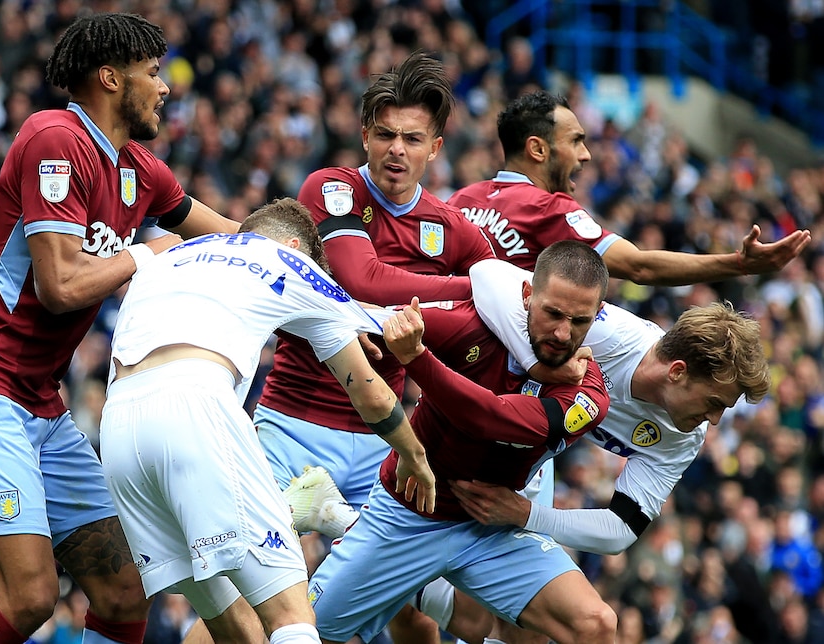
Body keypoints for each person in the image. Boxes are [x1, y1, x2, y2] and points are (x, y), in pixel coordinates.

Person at [0, 13, 239, 644]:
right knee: (31, 598)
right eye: (153, 73)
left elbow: (230, 237)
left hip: (40, 402)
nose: (166, 86)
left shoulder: (140, 169)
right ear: (110, 77)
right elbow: (59, 287)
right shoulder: (54, 138)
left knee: (126, 593)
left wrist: (310, 256)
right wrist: (146, 253)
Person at [176, 50, 495, 644]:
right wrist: (471, 288)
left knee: (414, 617)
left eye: (412, 138)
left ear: (436, 149)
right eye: (385, 134)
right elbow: (356, 278)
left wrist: (487, 293)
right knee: (252, 599)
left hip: (385, 440)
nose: (397, 149)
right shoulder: (333, 190)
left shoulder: (450, 229)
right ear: (365, 135)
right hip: (297, 425)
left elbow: (500, 309)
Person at [98, 197, 436, 644]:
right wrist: (413, 454)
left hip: (119, 431)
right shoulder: (290, 262)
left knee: (235, 630)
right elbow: (369, 391)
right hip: (194, 406)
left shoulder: (170, 254)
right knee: (292, 616)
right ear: (297, 246)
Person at [408, 257, 773, 644]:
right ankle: (389, 572)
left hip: (526, 470)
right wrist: (538, 365)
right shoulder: (610, 336)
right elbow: (487, 274)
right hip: (452, 432)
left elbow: (621, 527)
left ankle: (402, 581)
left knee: (532, 631)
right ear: (678, 372)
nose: (714, 420)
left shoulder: (684, 435)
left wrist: (526, 514)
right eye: (715, 402)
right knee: (463, 618)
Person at [309, 241, 617, 644]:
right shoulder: (472, 327)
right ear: (527, 295)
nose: (562, 333)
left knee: (596, 624)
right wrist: (363, 331)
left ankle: (340, 521)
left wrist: (417, 358)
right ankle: (356, 534)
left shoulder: (589, 394)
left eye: (579, 321)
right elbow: (367, 314)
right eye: (552, 313)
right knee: (303, 632)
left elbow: (491, 419)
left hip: (492, 528)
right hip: (408, 516)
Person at [448, 89, 811, 283]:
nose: (586, 155)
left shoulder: (462, 200)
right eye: (575, 141)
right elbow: (641, 267)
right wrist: (738, 264)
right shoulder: (549, 210)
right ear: (538, 149)